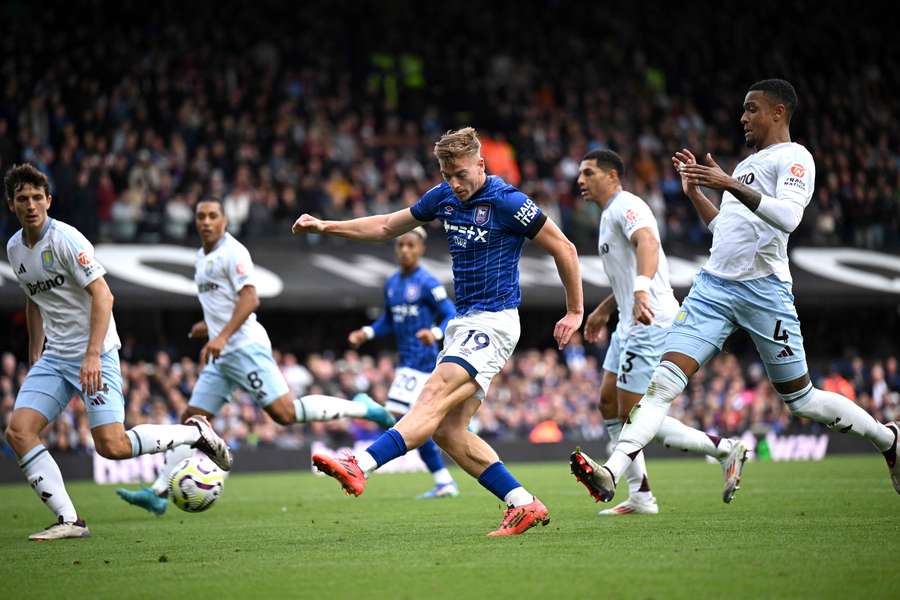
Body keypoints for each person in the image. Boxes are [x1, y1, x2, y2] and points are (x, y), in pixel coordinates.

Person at [576, 79, 899, 503]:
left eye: (751, 109)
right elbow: (724, 232)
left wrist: (727, 183)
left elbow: (788, 218)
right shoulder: (746, 166)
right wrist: (697, 194)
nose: (743, 117)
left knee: (801, 400)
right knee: (660, 386)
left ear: (778, 112)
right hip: (713, 289)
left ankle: (887, 439)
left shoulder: (795, 158)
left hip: (765, 292)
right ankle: (613, 473)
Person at [293, 127, 584, 536]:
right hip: (465, 322)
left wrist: (574, 310)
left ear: (481, 164)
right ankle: (523, 503)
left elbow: (564, 247)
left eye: (461, 174)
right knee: (448, 431)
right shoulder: (443, 197)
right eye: (447, 174)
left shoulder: (508, 201)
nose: (454, 183)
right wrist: (326, 227)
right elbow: (384, 227)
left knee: (430, 395)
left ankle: (360, 463)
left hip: (493, 320)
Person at [116, 198, 395, 515]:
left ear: (225, 221)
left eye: (213, 216)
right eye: (201, 217)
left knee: (285, 414)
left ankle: (365, 407)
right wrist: (207, 327)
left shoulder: (232, 253)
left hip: (244, 347)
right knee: (193, 422)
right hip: (221, 354)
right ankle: (158, 494)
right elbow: (223, 306)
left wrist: (220, 335)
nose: (206, 222)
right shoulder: (200, 257)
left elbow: (250, 299)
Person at [3, 164, 232, 541]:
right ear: (12, 204)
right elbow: (33, 300)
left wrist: (92, 355)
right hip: (55, 357)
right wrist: (34, 356)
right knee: (18, 432)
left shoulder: (66, 240)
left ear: (48, 200)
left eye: (37, 198)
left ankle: (194, 434)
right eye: (23, 199)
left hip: (96, 353)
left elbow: (104, 295)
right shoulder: (15, 248)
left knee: (112, 445)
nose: (31, 205)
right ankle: (70, 520)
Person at [569, 150, 748, 515]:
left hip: (650, 318)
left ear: (613, 176)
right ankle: (640, 495)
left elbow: (648, 243)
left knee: (635, 413)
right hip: (628, 319)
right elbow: (627, 270)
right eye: (579, 174)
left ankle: (723, 448)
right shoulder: (607, 216)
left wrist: (638, 292)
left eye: (588, 173)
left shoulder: (626, 205)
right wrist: (606, 308)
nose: (580, 180)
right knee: (609, 403)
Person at [347, 226, 460, 499]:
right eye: (401, 245)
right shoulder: (392, 283)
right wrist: (369, 332)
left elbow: (451, 315)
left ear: (420, 249)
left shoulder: (428, 283)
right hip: (406, 361)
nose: (405, 250)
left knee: (398, 418)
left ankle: (365, 443)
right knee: (413, 425)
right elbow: (389, 319)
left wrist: (433, 333)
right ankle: (444, 481)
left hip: (423, 362)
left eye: (411, 245)